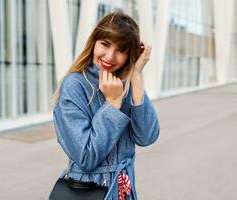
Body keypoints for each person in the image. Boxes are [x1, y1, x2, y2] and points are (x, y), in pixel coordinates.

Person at [51, 11, 160, 200]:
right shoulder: (75, 85)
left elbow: (147, 136)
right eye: (105, 44)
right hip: (89, 190)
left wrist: (136, 75)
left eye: (121, 50)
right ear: (94, 41)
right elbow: (86, 157)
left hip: (123, 189)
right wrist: (112, 103)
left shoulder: (124, 83)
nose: (110, 56)